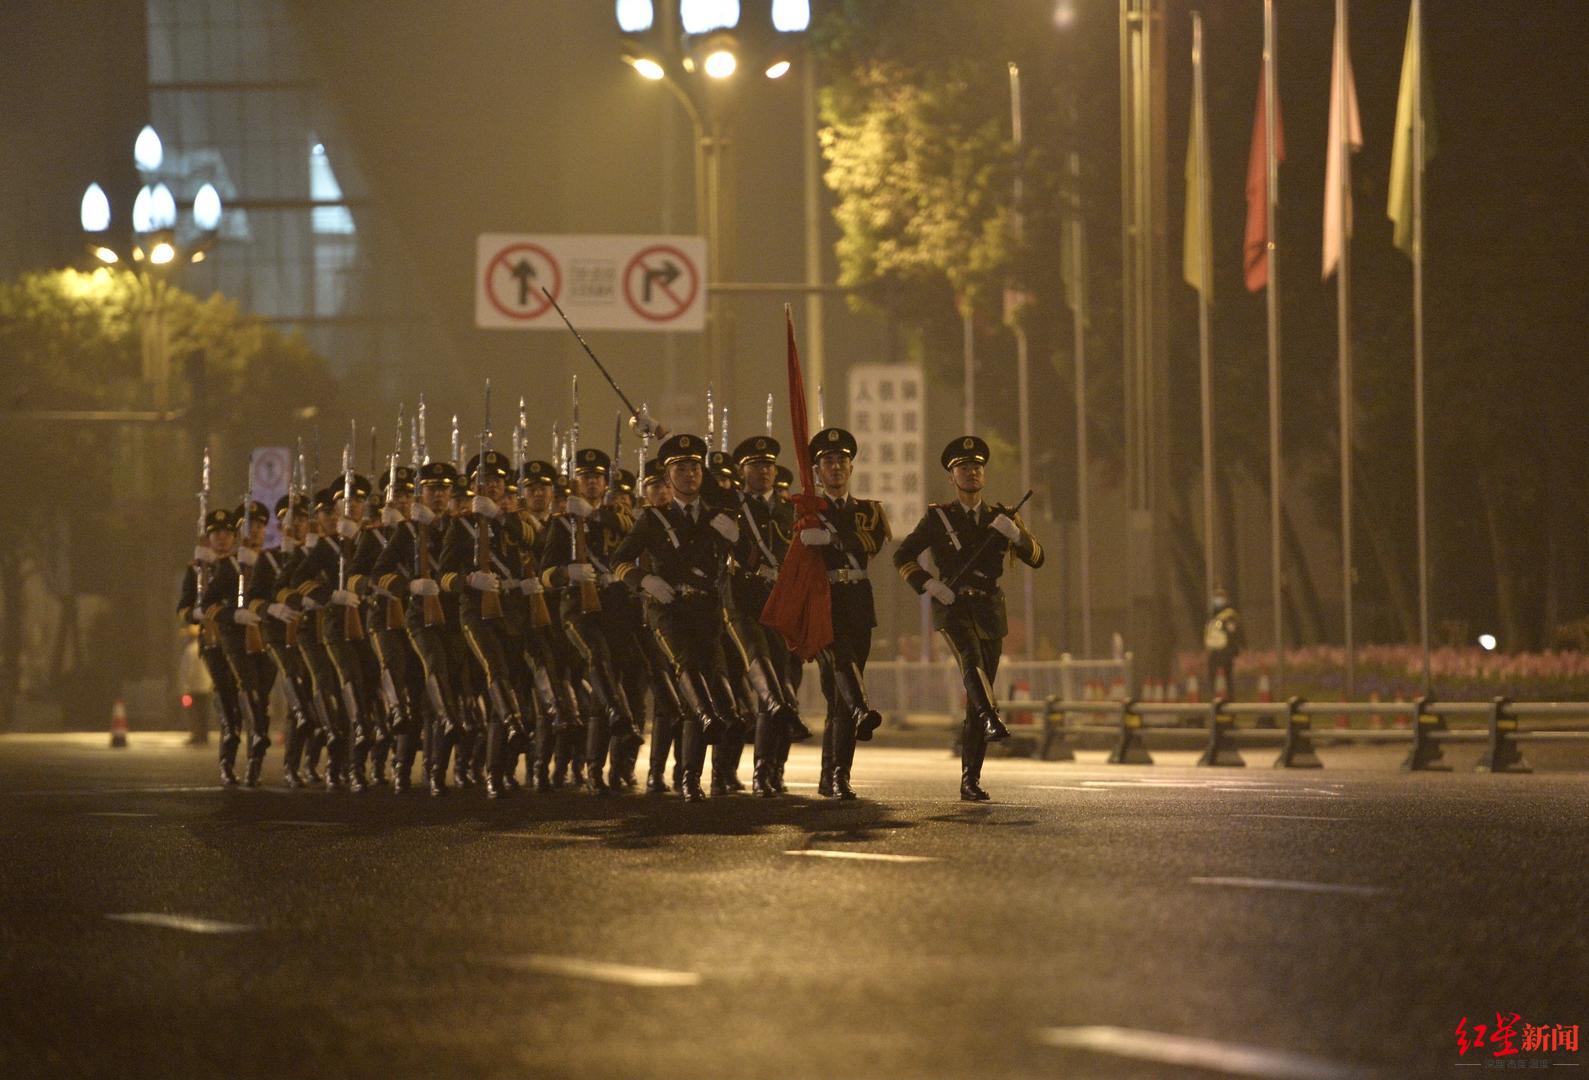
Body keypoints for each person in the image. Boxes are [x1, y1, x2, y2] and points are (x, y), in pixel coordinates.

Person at [893, 436, 1045, 801]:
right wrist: (928, 584)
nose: (971, 472)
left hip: (990, 608)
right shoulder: (938, 517)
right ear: (951, 476)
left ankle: (970, 779)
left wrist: (1019, 537)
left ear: (984, 474)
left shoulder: (1001, 517)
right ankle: (992, 718)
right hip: (953, 605)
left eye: (976, 467)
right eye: (963, 468)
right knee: (971, 662)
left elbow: (1038, 558)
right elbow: (903, 556)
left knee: (980, 690)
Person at [610, 433, 742, 801]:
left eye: (695, 467)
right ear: (667, 478)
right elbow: (617, 561)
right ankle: (708, 722)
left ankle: (690, 778)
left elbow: (747, 555)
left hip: (707, 610)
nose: (689, 474)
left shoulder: (719, 515)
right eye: (679, 468)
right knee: (689, 669)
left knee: (708, 686)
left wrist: (738, 539)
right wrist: (645, 580)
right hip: (666, 609)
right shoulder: (654, 519)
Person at [803, 426, 891, 800]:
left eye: (841, 460)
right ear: (817, 470)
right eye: (827, 462)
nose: (835, 467)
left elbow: (874, 541)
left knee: (837, 697)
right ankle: (863, 709)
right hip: (823, 601)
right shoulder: (807, 510)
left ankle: (836, 776)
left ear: (851, 467)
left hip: (856, 601)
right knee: (841, 664)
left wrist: (834, 538)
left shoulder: (868, 510)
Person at [726, 434, 810, 797]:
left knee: (788, 687)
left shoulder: (791, 508)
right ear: (742, 471)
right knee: (768, 685)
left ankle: (776, 768)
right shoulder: (731, 506)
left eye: (768, 465)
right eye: (755, 466)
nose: (764, 471)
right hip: (746, 599)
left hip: (785, 602)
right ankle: (761, 771)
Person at [1204, 586, 1244, 701]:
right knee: (1212, 678)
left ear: (1226, 599)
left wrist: (1233, 649)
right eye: (1215, 597)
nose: (1217, 600)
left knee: (1227, 678)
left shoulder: (1229, 615)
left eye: (1220, 597)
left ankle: (1230, 701)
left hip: (1225, 651)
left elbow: (1233, 633)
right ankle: (1214, 700)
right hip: (1214, 651)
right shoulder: (1212, 615)